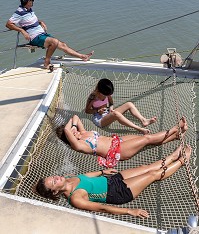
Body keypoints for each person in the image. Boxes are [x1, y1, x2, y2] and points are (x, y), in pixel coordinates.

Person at [35, 144, 192, 218]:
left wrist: (103, 171)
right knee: (152, 175)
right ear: (55, 191)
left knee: (146, 167)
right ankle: (181, 161)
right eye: (54, 182)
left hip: (112, 180)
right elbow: (102, 208)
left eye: (53, 177)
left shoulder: (68, 179)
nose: (56, 178)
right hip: (118, 193)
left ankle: (172, 156)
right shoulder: (75, 198)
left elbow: (86, 177)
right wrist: (130, 211)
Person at [56, 114, 188, 167]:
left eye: (73, 129)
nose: (74, 131)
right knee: (147, 138)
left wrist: (73, 126)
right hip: (118, 151)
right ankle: (176, 128)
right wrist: (70, 131)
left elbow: (75, 117)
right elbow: (67, 131)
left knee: (149, 140)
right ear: (69, 138)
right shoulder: (78, 145)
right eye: (72, 133)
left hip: (117, 141)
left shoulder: (83, 132)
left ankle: (175, 136)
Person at [5, 0, 94, 70]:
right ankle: (46, 63)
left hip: (42, 34)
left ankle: (83, 56)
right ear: (27, 1)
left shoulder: (29, 10)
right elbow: (8, 24)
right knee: (54, 42)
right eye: (31, 0)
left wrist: (41, 22)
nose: (33, 1)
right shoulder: (19, 12)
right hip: (34, 37)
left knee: (63, 45)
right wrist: (22, 31)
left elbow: (30, 21)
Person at [85, 78, 157, 134]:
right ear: (100, 91)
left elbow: (111, 103)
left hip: (107, 113)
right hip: (99, 119)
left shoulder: (107, 94)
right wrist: (97, 111)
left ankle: (144, 120)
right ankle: (139, 129)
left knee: (129, 104)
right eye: (105, 95)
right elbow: (87, 111)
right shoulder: (93, 97)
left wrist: (111, 109)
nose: (107, 96)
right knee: (116, 114)